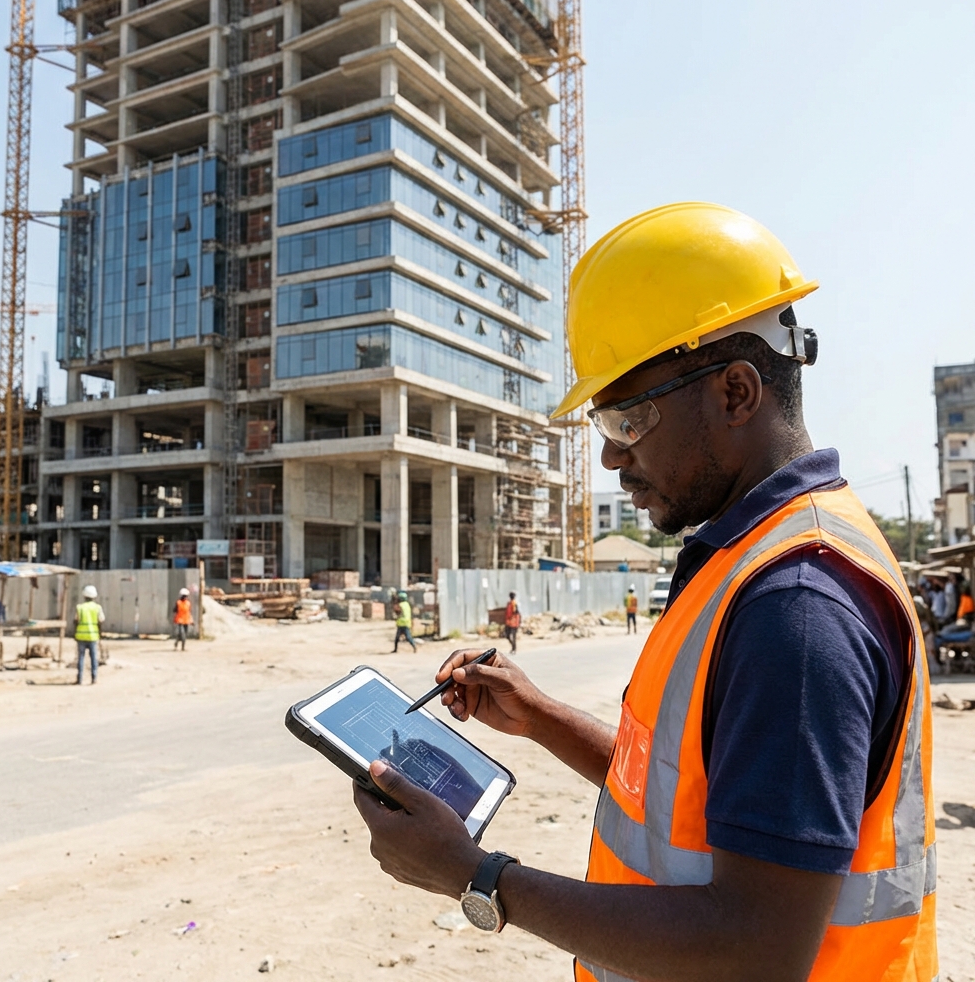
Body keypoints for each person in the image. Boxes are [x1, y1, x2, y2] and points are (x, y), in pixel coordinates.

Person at [351, 203, 936, 981]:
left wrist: (478, 876)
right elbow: (691, 795)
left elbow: (756, 950)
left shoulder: (796, 605)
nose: (609, 460)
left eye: (627, 418)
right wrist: (542, 719)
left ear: (735, 394)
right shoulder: (751, 558)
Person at [74, 584, 105, 685]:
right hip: (93, 636)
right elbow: (101, 620)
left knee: (81, 658)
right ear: (94, 596)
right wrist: (100, 634)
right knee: (93, 658)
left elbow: (76, 620)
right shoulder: (97, 607)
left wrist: (74, 633)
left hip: (81, 636)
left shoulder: (80, 607)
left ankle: (79, 679)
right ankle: (94, 678)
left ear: (84, 596)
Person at [173, 587, 194, 651]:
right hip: (180, 620)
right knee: (181, 633)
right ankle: (176, 643)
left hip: (186, 621)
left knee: (184, 635)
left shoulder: (188, 603)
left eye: (186, 596)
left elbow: (189, 612)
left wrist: (191, 620)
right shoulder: (178, 602)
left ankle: (183, 647)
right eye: (184, 596)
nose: (185, 597)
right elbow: (174, 610)